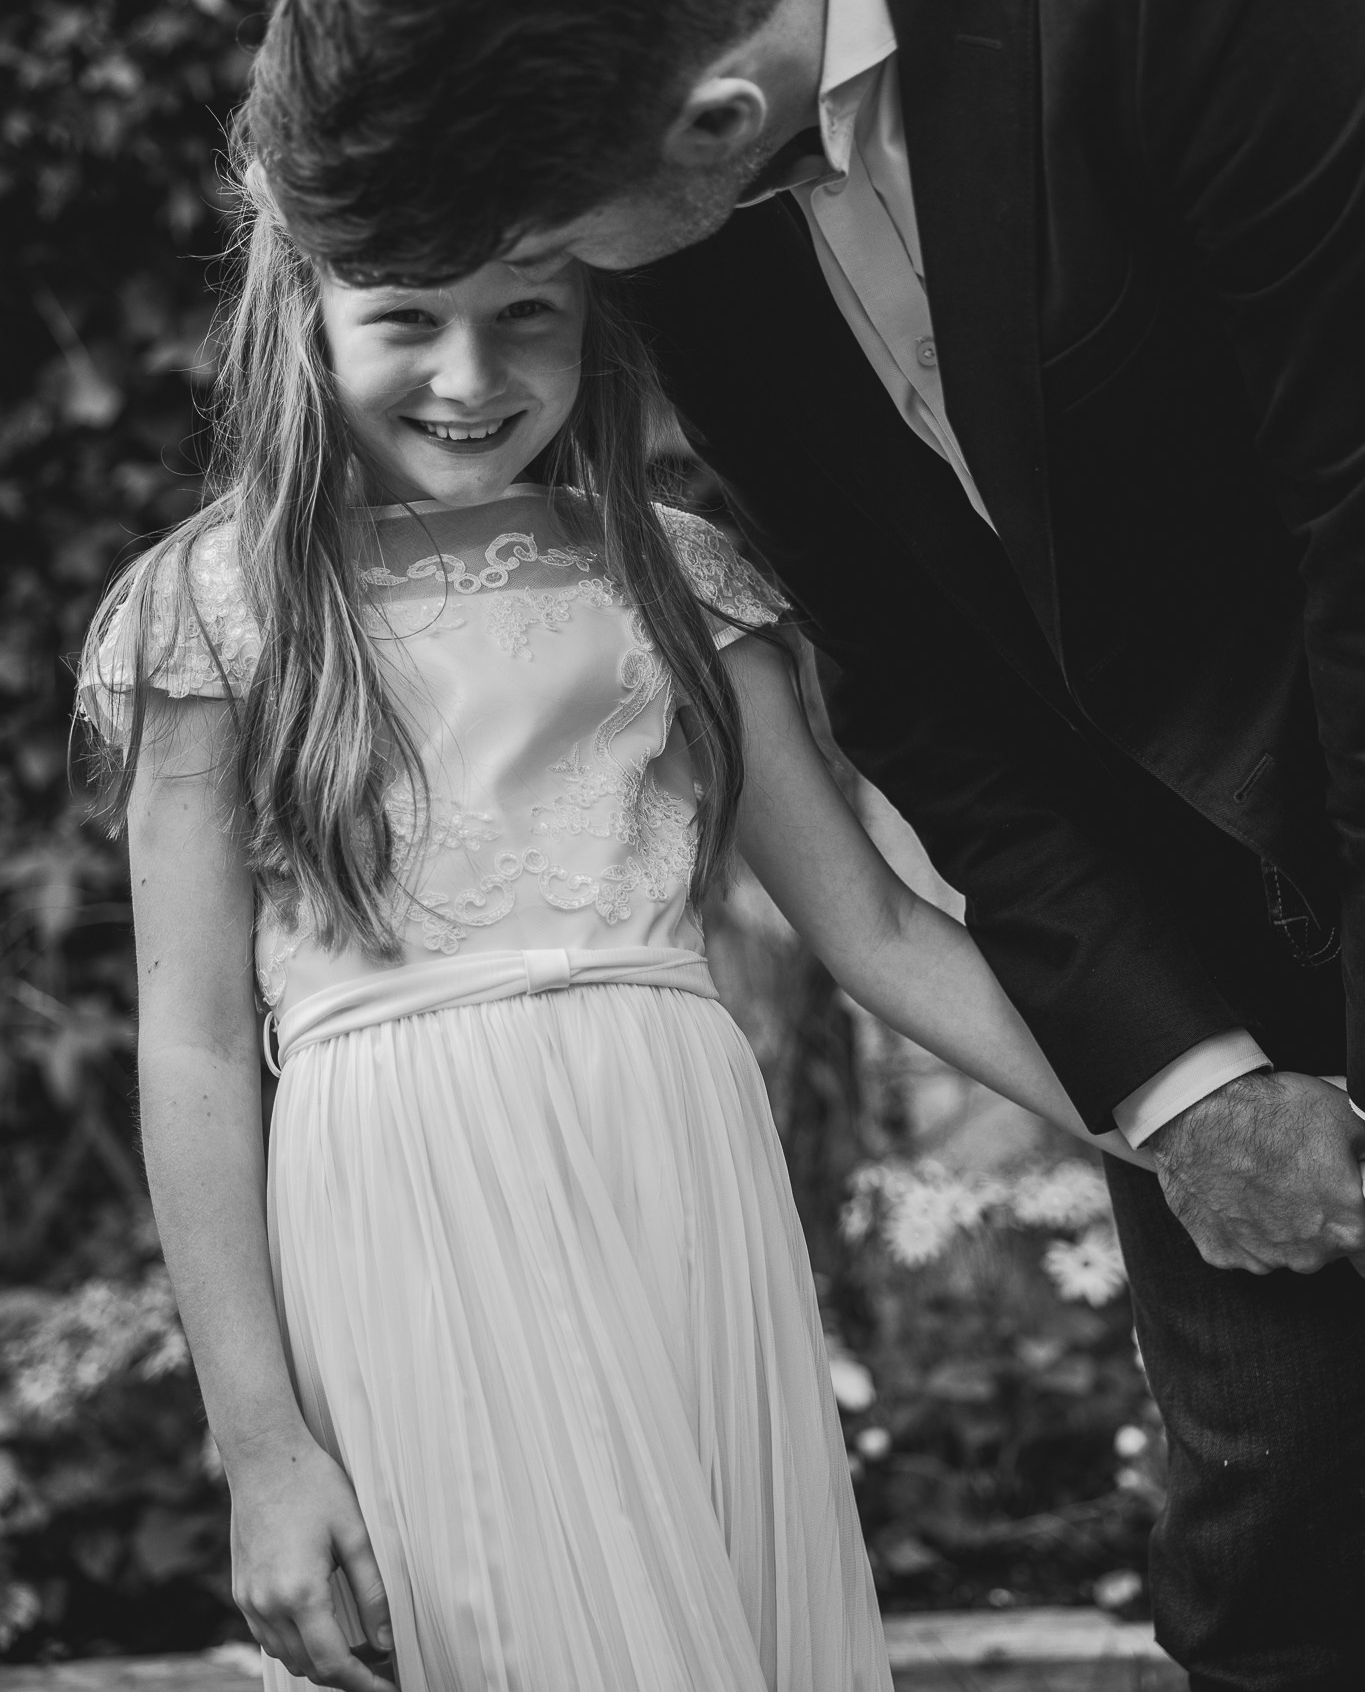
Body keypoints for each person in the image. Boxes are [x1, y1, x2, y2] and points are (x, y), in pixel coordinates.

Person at [241, 0, 1365, 1688]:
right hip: (1200, 970)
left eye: (546, 269)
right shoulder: (671, 179)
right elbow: (920, 678)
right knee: (1271, 1577)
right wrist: (1190, 1083)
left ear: (713, 121)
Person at [79, 165, 1138, 1692]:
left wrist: (1160, 1118)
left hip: (678, 1184)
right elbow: (188, 1044)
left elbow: (879, 932)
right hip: (403, 1209)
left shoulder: (677, 577)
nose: (469, 376)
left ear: (594, 315)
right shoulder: (212, 609)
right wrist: (259, 1449)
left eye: (526, 314)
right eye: (406, 320)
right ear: (305, 317)